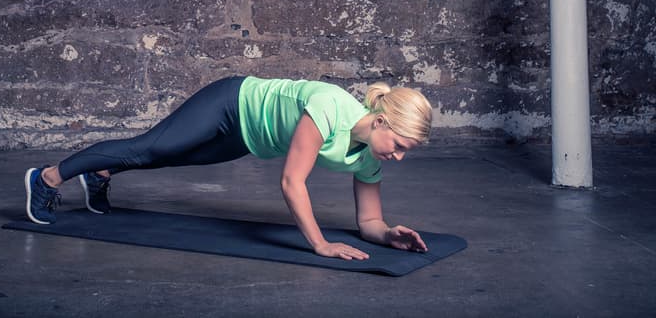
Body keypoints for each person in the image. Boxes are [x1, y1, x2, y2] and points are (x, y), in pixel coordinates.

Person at [24, 75, 432, 261]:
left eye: (405, 152)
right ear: (381, 121)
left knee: (166, 157)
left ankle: (99, 174)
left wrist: (388, 233)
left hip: (246, 138)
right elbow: (292, 181)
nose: (397, 157)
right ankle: (47, 178)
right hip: (230, 103)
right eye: (398, 145)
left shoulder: (368, 156)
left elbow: (370, 221)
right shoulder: (330, 107)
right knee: (147, 148)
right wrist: (320, 244)